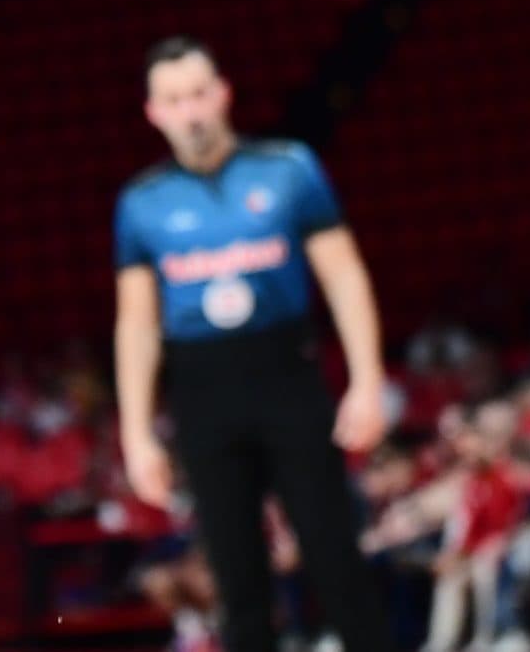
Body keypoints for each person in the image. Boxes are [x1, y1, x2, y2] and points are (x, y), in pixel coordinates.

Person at [112, 38, 396, 652]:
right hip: (202, 393)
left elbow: (344, 276)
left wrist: (367, 381)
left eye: (198, 94)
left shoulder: (289, 167)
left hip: (288, 377)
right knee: (238, 585)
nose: (190, 112)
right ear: (153, 112)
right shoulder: (141, 204)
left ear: (222, 94)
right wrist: (136, 433)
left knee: (336, 560)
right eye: (173, 100)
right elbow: (135, 323)